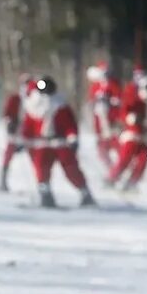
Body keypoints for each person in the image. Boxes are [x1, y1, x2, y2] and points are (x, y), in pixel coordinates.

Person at [20, 76, 96, 208]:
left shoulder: (60, 105)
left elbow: (69, 125)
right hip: (41, 143)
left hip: (60, 142)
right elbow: (28, 127)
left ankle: (85, 192)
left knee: (71, 168)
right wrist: (22, 141)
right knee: (41, 168)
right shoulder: (33, 105)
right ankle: (45, 194)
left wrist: (72, 138)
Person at [107, 71, 147, 191]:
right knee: (125, 159)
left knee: (144, 160)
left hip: (146, 138)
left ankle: (132, 182)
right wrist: (130, 117)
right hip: (132, 135)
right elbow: (123, 112)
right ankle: (112, 178)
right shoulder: (134, 99)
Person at [85, 63, 122, 168]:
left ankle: (120, 165)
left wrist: (110, 100)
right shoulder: (95, 86)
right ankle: (109, 166)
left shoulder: (113, 84)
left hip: (112, 119)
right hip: (100, 120)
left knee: (116, 142)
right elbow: (92, 100)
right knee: (101, 146)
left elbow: (118, 99)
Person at [0, 73, 30, 191]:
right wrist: (10, 123)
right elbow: (7, 114)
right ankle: (3, 180)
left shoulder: (35, 99)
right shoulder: (15, 98)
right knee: (9, 154)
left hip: (30, 134)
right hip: (16, 131)